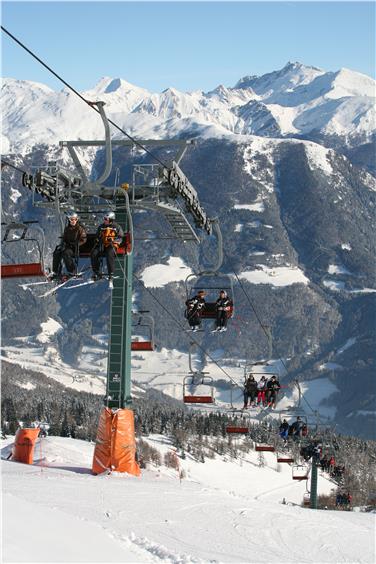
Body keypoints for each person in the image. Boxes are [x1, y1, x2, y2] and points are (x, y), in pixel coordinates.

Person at [50, 212, 87, 279]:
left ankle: (72, 270)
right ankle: (55, 272)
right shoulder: (67, 229)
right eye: (71, 219)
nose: (73, 221)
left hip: (76, 247)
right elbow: (65, 238)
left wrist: (76, 244)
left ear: (77, 220)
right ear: (69, 220)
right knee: (57, 252)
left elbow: (83, 239)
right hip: (68, 246)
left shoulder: (80, 229)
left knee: (66, 253)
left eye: (75, 219)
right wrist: (63, 243)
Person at [91, 212, 123, 281]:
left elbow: (120, 237)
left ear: (111, 220)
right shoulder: (101, 227)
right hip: (102, 244)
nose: (104, 220)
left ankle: (111, 273)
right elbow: (97, 236)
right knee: (94, 253)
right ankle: (96, 272)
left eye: (106, 219)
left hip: (111, 245)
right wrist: (97, 239)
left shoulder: (117, 227)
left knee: (109, 253)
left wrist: (113, 239)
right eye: (104, 219)